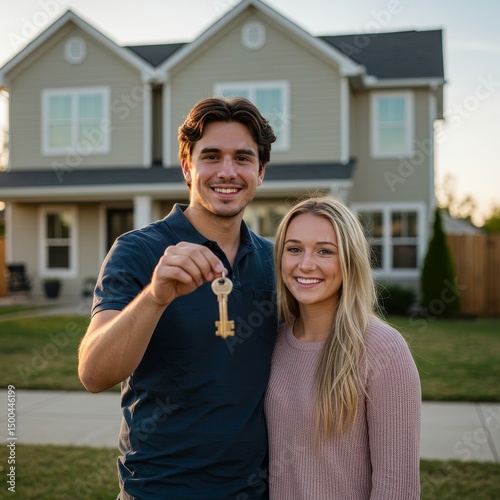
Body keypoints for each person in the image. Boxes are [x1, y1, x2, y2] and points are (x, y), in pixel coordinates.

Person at [78, 97, 278, 499]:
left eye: (242, 158)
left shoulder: (276, 261)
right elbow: (94, 373)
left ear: (260, 172)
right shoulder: (137, 251)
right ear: (188, 167)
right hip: (157, 488)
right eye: (211, 156)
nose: (227, 171)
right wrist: (156, 295)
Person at [264, 195, 421, 500]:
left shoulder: (383, 349)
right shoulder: (273, 343)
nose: (305, 265)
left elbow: (397, 486)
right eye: (294, 249)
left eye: (324, 251)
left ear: (349, 260)